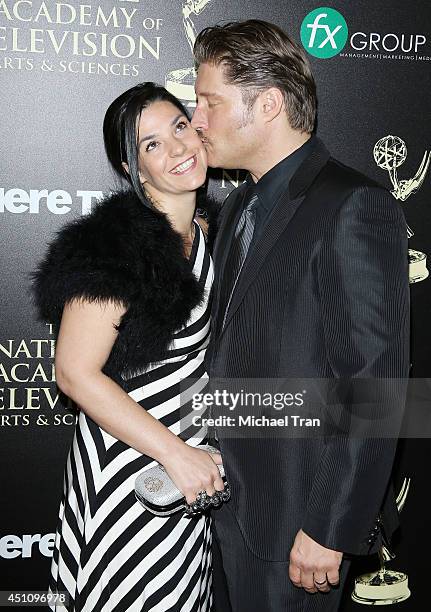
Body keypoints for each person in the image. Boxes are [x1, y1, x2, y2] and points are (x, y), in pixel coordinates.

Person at [191, 20, 410, 612]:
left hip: (298, 522)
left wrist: (329, 528)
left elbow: (374, 389)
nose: (197, 121)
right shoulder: (238, 204)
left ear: (267, 104)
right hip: (225, 512)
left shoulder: (353, 204)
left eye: (208, 102)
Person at [32, 83, 225, 612]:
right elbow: (73, 373)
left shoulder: (209, 232)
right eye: (152, 144)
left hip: (183, 478)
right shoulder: (115, 245)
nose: (178, 149)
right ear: (133, 168)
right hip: (128, 475)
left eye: (179, 127)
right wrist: (176, 454)